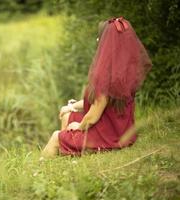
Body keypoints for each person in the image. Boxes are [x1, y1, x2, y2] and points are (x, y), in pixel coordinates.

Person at [41, 17, 152, 157]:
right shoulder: (125, 71)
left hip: (107, 139)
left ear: (107, 43)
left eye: (100, 38)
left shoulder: (106, 76)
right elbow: (100, 103)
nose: (98, 41)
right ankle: (69, 154)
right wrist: (72, 107)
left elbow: (92, 117)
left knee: (56, 137)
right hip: (120, 132)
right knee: (67, 116)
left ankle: (40, 168)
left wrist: (78, 128)